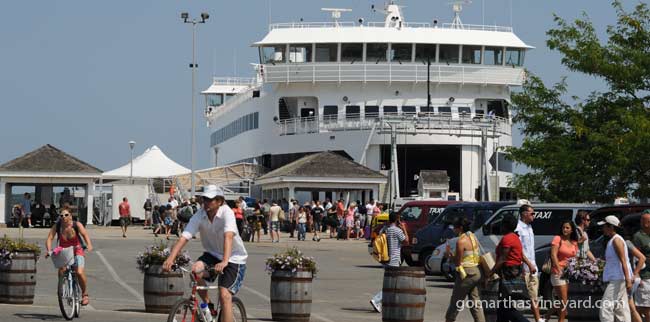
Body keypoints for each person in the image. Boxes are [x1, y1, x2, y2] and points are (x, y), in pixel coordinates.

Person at [163, 185, 247, 322]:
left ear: (219, 201)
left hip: (233, 257)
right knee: (195, 271)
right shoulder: (200, 214)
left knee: (225, 295)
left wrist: (225, 261)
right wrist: (170, 259)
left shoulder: (227, 212)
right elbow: (184, 237)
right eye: (204, 199)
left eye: (210, 199)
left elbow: (229, 236)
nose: (205, 202)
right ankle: (208, 304)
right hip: (213, 254)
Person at [45, 209, 94, 306]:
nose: (63, 217)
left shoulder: (76, 225)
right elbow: (50, 238)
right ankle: (61, 287)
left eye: (66, 215)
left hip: (77, 250)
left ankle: (85, 294)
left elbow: (84, 234)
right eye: (61, 215)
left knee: (79, 272)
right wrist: (49, 250)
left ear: (70, 216)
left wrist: (89, 245)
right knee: (62, 269)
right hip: (64, 250)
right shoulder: (58, 226)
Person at [487, 214, 528, 322]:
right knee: (503, 307)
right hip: (513, 273)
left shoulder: (508, 238)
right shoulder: (515, 237)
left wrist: (489, 274)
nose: (500, 227)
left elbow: (502, 259)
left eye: (502, 224)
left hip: (508, 275)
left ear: (505, 226)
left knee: (506, 308)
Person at [445, 217, 485, 322]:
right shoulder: (473, 237)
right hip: (477, 272)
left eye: (455, 228)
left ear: (460, 228)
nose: (454, 230)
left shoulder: (461, 241)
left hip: (466, 274)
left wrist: (450, 255)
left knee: (456, 301)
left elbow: (457, 262)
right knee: (475, 302)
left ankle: (449, 319)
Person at [369, 211, 409, 313]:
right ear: (397, 220)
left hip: (385, 259)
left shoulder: (385, 229)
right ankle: (376, 300)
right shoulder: (397, 231)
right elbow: (406, 241)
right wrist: (404, 228)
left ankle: (389, 303)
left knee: (392, 283)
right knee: (392, 284)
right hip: (394, 260)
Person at [599, 215, 632, 322]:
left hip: (617, 279)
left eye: (604, 226)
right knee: (621, 309)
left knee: (606, 307)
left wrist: (628, 280)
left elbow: (623, 260)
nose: (602, 228)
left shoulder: (616, 240)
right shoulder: (614, 240)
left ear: (611, 227)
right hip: (618, 278)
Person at [544, 220, 578, 322]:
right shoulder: (557, 238)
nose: (565, 229)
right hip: (557, 272)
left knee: (563, 300)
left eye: (567, 228)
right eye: (563, 227)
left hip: (568, 273)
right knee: (564, 301)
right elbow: (553, 255)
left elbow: (575, 257)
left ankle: (547, 315)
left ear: (572, 230)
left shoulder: (574, 242)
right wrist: (559, 269)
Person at [514, 204, 544, 322]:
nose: (534, 215)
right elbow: (518, 250)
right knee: (518, 296)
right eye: (532, 213)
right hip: (524, 268)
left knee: (534, 295)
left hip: (532, 267)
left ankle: (538, 319)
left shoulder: (529, 227)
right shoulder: (518, 228)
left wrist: (533, 265)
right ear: (524, 214)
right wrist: (525, 266)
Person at [633, 210, 650, 322]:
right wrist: (637, 275)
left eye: (646, 220)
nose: (644, 222)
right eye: (643, 220)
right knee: (643, 307)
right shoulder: (638, 236)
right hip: (645, 276)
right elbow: (635, 258)